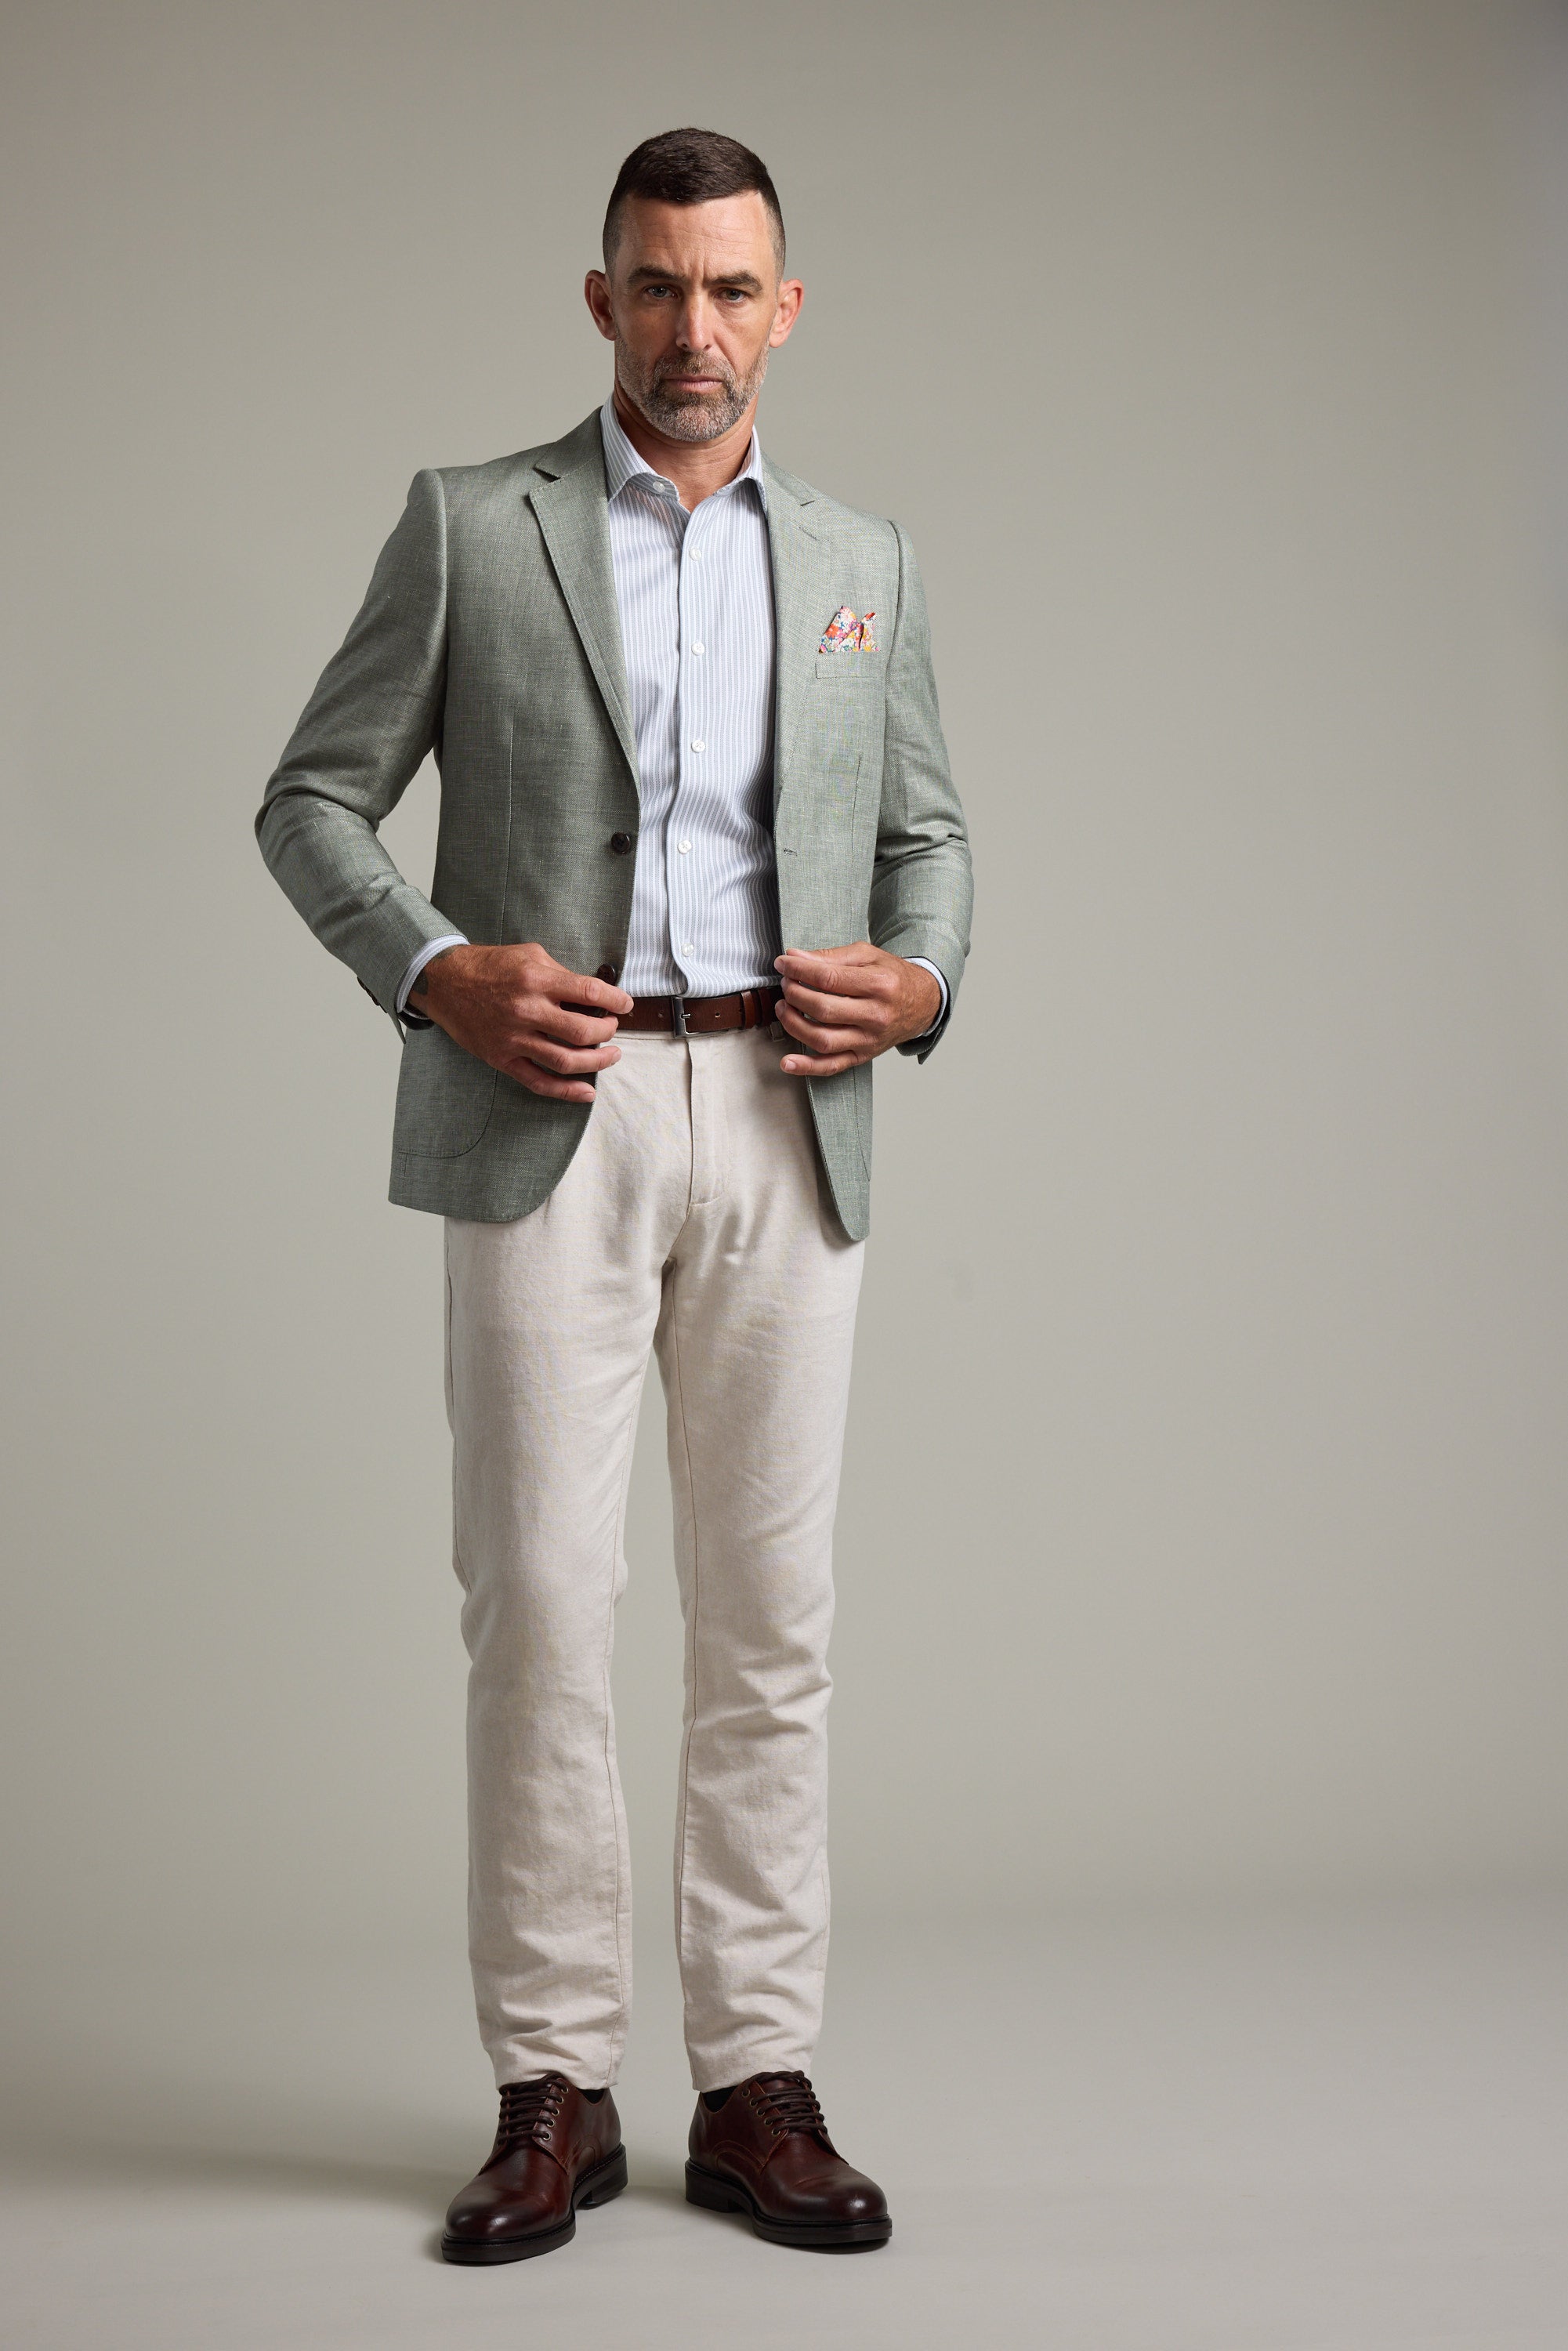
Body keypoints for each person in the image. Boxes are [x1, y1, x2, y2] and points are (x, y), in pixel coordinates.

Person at [256, 126, 972, 2263]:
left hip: (781, 1114)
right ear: (600, 303)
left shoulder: (864, 556)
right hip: (541, 1122)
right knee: (542, 1619)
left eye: (729, 288)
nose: (691, 327)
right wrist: (432, 969)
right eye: (654, 287)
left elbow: (929, 841)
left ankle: (754, 2085)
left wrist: (917, 976)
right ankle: (550, 2090)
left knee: (770, 1634)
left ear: (786, 306)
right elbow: (311, 798)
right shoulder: (475, 529)